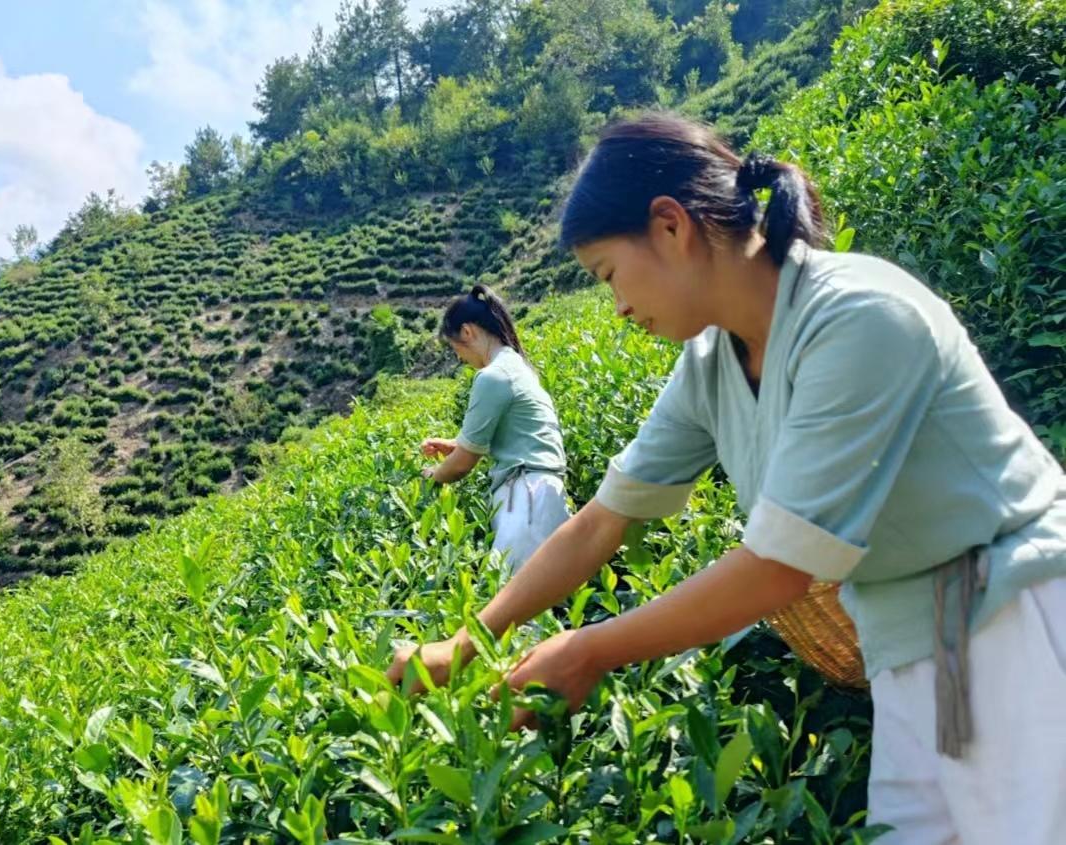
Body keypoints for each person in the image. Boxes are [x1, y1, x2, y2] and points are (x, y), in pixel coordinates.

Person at [389, 114, 1066, 842]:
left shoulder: (859, 317)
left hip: (1004, 614)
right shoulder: (713, 361)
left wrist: (585, 650)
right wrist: (469, 640)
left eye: (609, 274)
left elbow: (779, 566)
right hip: (907, 647)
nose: (615, 305)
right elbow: (602, 520)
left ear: (671, 226)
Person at [420, 284, 571, 577]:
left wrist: (431, 476)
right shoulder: (517, 367)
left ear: (467, 332)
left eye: (456, 349)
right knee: (538, 607)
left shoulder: (493, 376)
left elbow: (462, 465)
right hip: (543, 495)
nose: (461, 358)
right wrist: (457, 445)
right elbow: (515, 436)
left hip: (526, 498)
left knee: (511, 610)